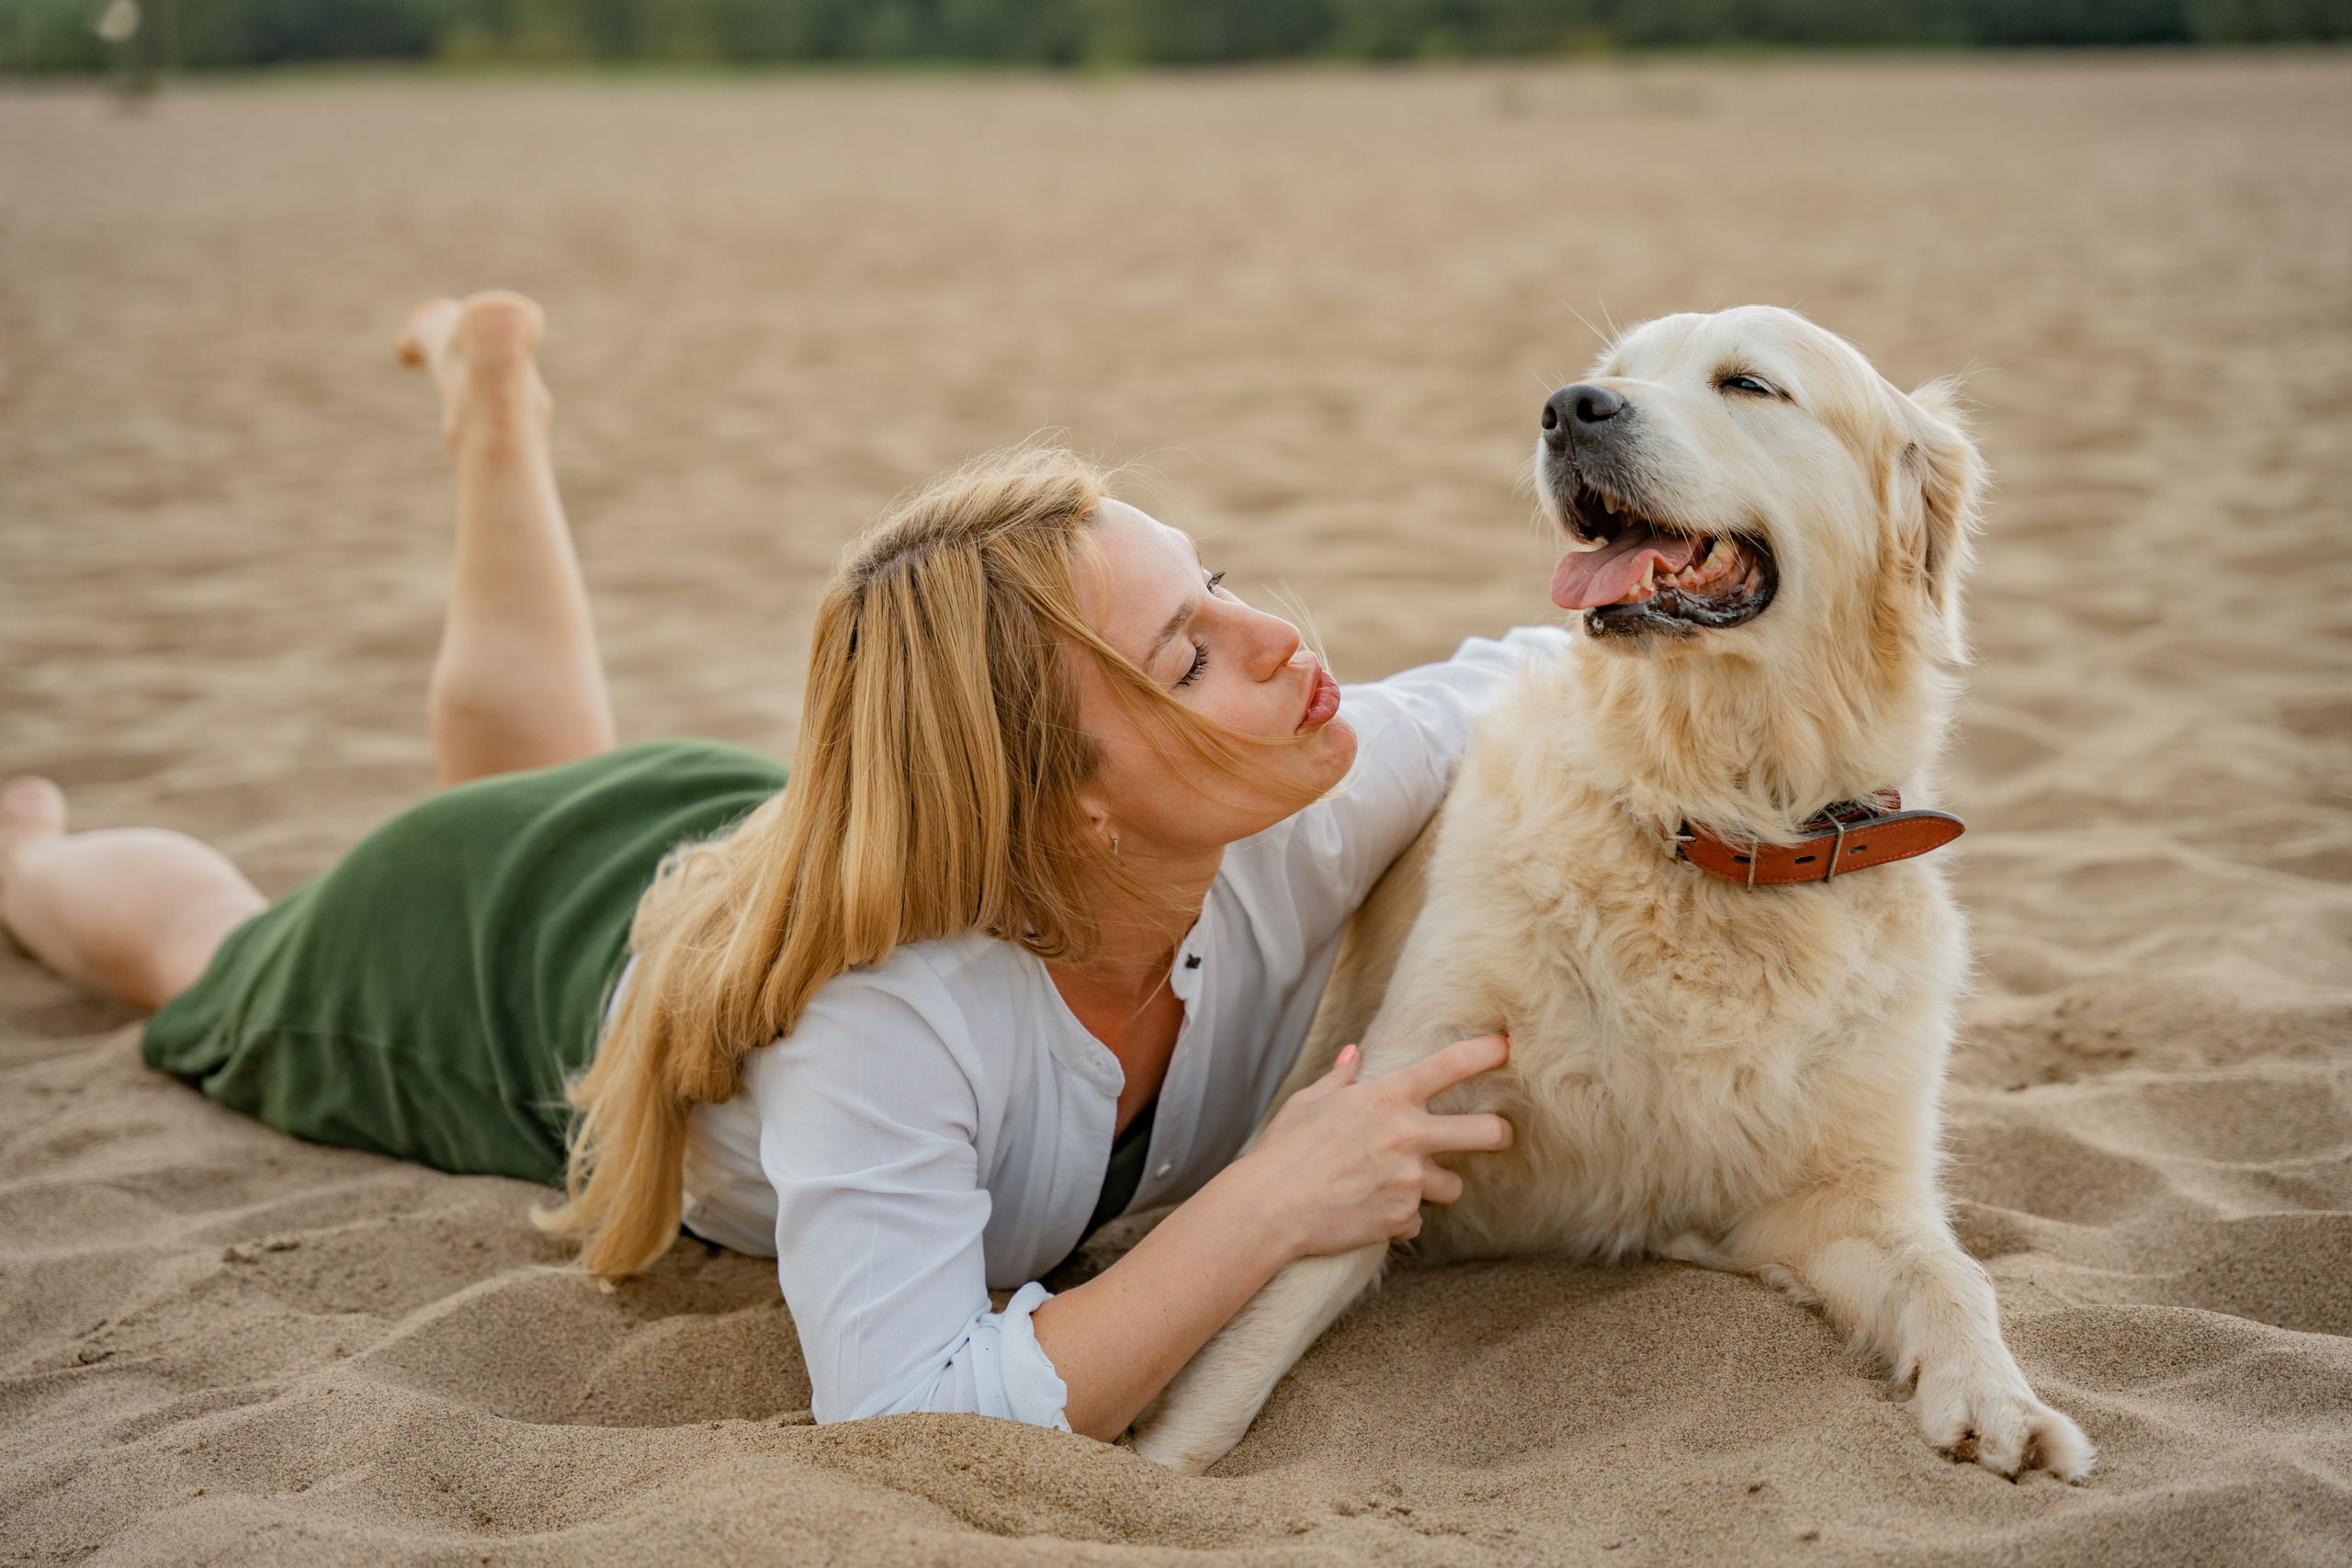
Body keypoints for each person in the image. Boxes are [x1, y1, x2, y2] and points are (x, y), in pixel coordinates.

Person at [0, 291, 1561, 1443]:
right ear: (1070, 808)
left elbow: (1535, 668)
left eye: (1215, 585)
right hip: (493, 959)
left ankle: (499, 416)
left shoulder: (1294, 781)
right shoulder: (886, 1019)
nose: (1287, 641)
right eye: (1191, 653)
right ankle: (33, 858)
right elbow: (902, 1411)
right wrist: (1268, 1204)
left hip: (741, 835)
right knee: (206, 954)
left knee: (552, 774)